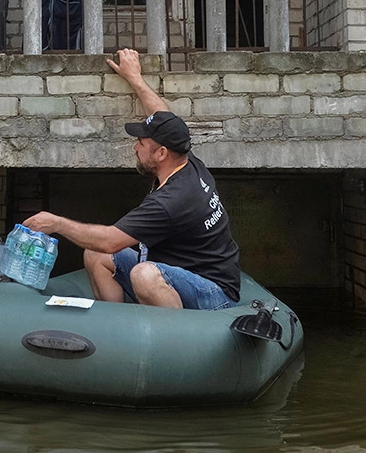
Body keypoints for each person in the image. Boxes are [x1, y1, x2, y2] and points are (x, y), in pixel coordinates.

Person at [23, 48, 241, 310]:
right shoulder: (185, 159)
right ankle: (121, 329)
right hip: (176, 271)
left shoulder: (172, 200)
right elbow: (164, 117)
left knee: (143, 274)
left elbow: (111, 240)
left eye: (140, 143)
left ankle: (175, 342)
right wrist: (134, 77)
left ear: (161, 153)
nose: (135, 148)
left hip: (213, 292)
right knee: (96, 254)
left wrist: (56, 222)